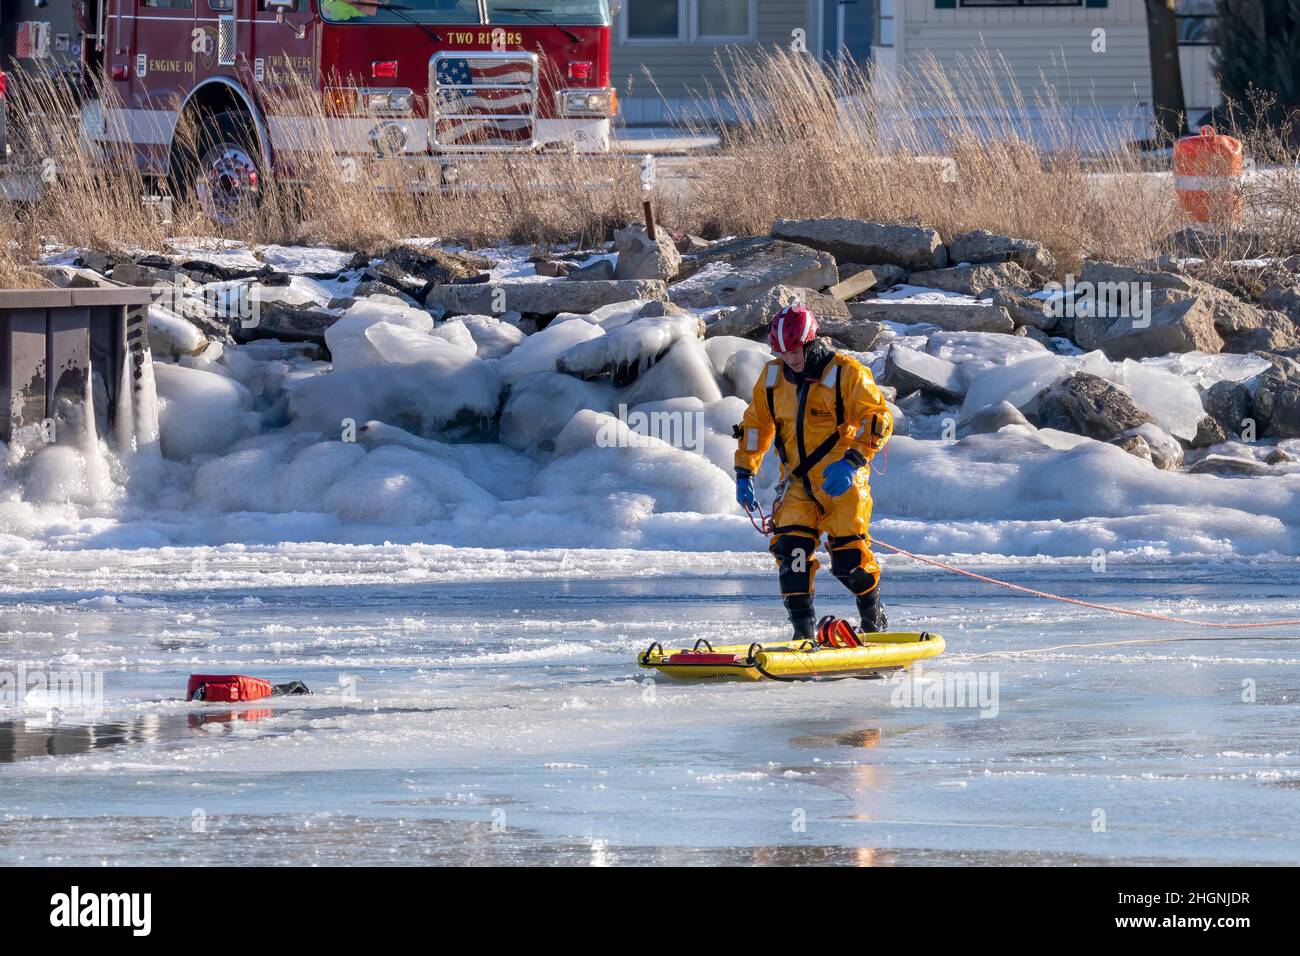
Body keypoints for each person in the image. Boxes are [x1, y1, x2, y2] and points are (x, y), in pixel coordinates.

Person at [734, 304, 893, 639]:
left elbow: (877, 417)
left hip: (842, 481)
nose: (789, 358)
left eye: (794, 351)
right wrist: (744, 471)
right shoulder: (772, 379)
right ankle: (802, 633)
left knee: (850, 563)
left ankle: (873, 617)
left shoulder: (848, 374)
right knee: (791, 554)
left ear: (810, 342)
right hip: (797, 483)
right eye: (782, 352)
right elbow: (755, 426)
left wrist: (852, 461)